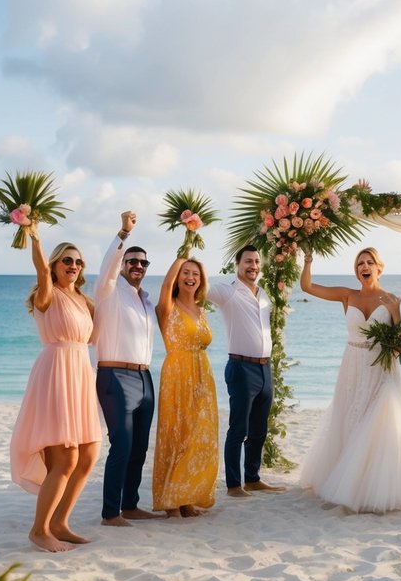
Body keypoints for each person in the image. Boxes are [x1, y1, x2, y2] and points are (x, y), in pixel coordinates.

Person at [298, 248, 401, 513]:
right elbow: (307, 287)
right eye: (360, 263)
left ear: (379, 268)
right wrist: (307, 261)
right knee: (350, 417)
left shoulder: (391, 299)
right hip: (352, 365)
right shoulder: (347, 295)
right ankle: (346, 481)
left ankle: (371, 487)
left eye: (369, 262)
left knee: (376, 422)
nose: (364, 266)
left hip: (380, 368)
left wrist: (396, 311)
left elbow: (400, 345)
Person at [9, 230, 102, 552]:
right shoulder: (47, 294)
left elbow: (97, 335)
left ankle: (60, 523)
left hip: (81, 374)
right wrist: (34, 237)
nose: (73, 265)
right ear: (54, 265)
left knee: (88, 455)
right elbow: (40, 270)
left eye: (78, 261)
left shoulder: (85, 302)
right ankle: (39, 529)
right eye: (66, 260)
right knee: (65, 458)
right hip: (56, 373)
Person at [93, 211, 157, 527]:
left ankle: (130, 505)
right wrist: (123, 234)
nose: (138, 266)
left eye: (143, 263)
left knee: (140, 447)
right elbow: (107, 266)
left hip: (145, 377)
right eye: (132, 261)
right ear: (122, 265)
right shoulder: (109, 290)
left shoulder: (146, 300)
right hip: (115, 376)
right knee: (122, 444)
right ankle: (110, 512)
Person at [208, 245, 283, 497]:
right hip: (241, 368)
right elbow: (198, 288)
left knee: (259, 429)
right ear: (237, 264)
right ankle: (233, 485)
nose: (254, 266)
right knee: (238, 428)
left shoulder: (264, 294)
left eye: (257, 261)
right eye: (248, 261)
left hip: (264, 368)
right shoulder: (227, 292)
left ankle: (252, 479)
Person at [153, 255, 219, 517]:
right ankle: (172, 502)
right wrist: (182, 255)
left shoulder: (201, 310)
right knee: (176, 434)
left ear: (201, 280)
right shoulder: (167, 307)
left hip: (203, 377)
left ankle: (187, 497)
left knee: (197, 435)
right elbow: (165, 285)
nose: (190, 278)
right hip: (177, 376)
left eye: (195, 274)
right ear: (177, 278)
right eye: (185, 273)